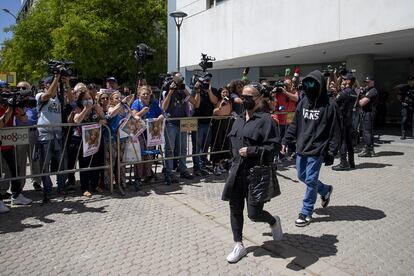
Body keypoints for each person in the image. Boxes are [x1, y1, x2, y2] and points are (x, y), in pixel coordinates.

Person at [222, 83, 282, 263]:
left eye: (250, 96)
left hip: (255, 174)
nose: (245, 99)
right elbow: (232, 143)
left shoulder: (266, 120)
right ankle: (238, 244)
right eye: (243, 96)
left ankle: (273, 221)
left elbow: (274, 147)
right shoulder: (238, 119)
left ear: (258, 99)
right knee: (234, 208)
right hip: (236, 172)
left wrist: (252, 150)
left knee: (254, 214)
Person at [282, 70, 341, 227]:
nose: (309, 87)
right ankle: (325, 190)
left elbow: (335, 131)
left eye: (313, 84)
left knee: (310, 179)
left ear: (320, 85)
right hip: (302, 147)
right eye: (307, 83)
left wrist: (331, 151)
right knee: (302, 176)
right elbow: (294, 124)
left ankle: (306, 211)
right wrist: (286, 140)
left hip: (318, 148)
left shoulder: (330, 105)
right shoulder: (303, 102)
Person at [35, 74, 69, 203]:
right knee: (45, 165)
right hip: (45, 136)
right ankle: (47, 190)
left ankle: (61, 187)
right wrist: (57, 78)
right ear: (46, 85)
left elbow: (70, 100)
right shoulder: (39, 96)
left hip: (58, 135)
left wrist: (67, 84)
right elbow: (47, 95)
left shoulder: (59, 98)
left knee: (63, 164)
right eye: (50, 83)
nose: (53, 84)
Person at [161, 72, 196, 185]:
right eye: (177, 79)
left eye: (181, 79)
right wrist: (171, 92)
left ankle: (183, 169)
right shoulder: (167, 91)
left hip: (184, 122)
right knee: (170, 149)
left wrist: (184, 89)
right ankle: (169, 172)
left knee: (183, 148)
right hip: (171, 123)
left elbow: (194, 102)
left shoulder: (183, 90)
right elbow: (164, 107)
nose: (179, 81)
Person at [72, 90, 106, 197]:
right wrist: (85, 110)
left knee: (95, 162)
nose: (88, 101)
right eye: (85, 99)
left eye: (89, 98)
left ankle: (95, 184)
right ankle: (85, 187)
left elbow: (103, 118)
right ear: (81, 100)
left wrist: (100, 117)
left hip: (95, 141)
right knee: (84, 164)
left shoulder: (95, 110)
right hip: (83, 142)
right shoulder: (78, 109)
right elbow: (76, 120)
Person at [0, 101, 33, 213]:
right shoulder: (7, 108)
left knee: (15, 170)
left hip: (8, 144)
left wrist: (19, 109)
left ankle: (16, 195)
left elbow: (24, 120)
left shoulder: (9, 106)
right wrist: (9, 109)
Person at [131, 85, 164, 188]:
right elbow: (134, 116)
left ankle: (148, 174)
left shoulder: (153, 103)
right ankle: (138, 177)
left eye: (147, 94)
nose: (146, 96)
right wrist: (142, 112)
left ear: (150, 95)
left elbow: (161, 113)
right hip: (139, 133)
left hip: (151, 133)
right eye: (143, 94)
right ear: (139, 95)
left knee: (149, 154)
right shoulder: (136, 103)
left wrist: (160, 117)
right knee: (140, 155)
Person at [14, 81, 42, 191]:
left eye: (24, 87)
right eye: (19, 88)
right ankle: (19, 185)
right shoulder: (14, 102)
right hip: (19, 133)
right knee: (20, 161)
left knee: (34, 159)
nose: (21, 90)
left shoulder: (34, 102)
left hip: (32, 132)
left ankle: (36, 182)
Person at [191, 75, 218, 176]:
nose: (207, 83)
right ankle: (196, 167)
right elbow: (195, 104)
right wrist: (197, 90)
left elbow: (215, 101)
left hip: (208, 123)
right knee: (196, 147)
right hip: (197, 122)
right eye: (205, 81)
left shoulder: (213, 90)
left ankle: (202, 165)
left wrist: (209, 91)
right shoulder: (196, 90)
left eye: (208, 81)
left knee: (206, 146)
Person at [332, 73, 358, 170]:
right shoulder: (354, 93)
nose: (343, 80)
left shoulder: (344, 92)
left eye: (344, 79)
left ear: (348, 81)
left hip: (342, 119)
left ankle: (343, 163)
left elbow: (334, 103)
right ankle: (352, 162)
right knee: (349, 141)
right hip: (349, 119)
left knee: (342, 141)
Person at [211, 86, 232, 175]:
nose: (225, 94)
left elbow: (229, 111)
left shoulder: (229, 102)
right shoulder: (217, 101)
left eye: (226, 92)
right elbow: (215, 112)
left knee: (225, 143)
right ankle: (215, 164)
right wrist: (221, 106)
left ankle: (221, 163)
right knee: (217, 144)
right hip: (217, 123)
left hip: (226, 123)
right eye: (223, 92)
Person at [358, 76, 378, 157]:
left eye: (368, 82)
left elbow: (362, 103)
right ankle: (371, 149)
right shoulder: (368, 90)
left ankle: (367, 150)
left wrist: (360, 98)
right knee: (369, 132)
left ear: (372, 82)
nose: (366, 83)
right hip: (367, 113)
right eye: (366, 82)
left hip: (368, 113)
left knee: (367, 132)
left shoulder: (372, 91)